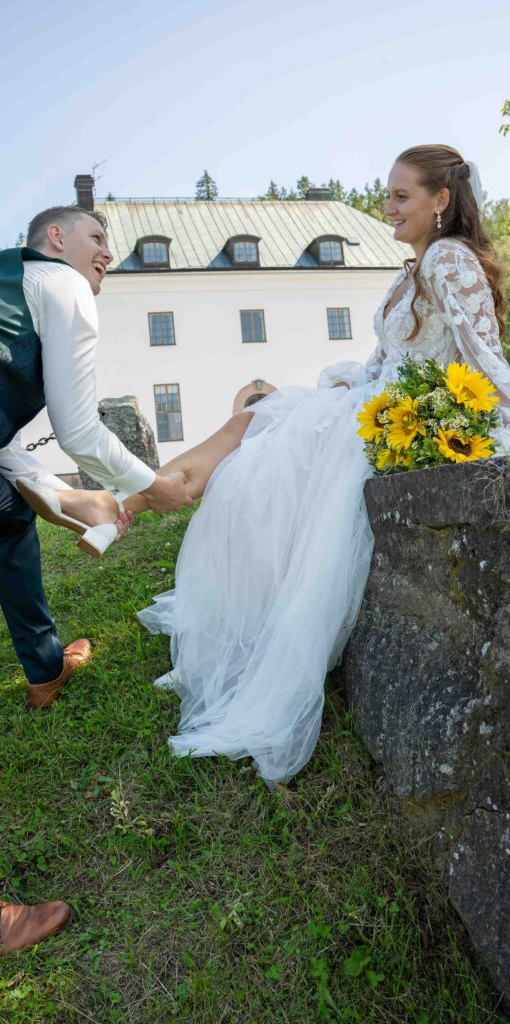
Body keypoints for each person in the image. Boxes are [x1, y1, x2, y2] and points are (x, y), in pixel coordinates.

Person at [28, 146, 510, 787]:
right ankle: (127, 505)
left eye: (399, 197)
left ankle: (126, 506)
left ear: (440, 200)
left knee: (252, 434)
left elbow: (486, 359)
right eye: (387, 195)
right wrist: (345, 384)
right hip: (376, 405)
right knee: (252, 424)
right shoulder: (418, 265)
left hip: (399, 422)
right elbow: (381, 362)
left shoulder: (449, 259)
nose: (385, 208)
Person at [0, 206, 192, 958]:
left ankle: (44, 665)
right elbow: (80, 429)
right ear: (55, 241)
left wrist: (65, 497)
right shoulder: (61, 285)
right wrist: (156, 483)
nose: (107, 256)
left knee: (7, 513)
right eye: (96, 240)